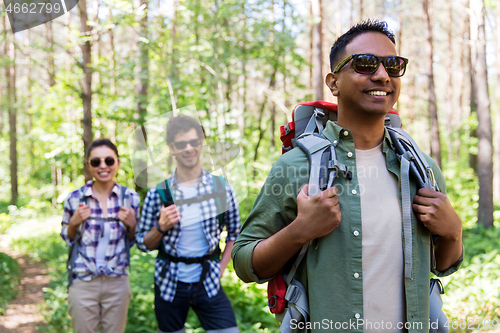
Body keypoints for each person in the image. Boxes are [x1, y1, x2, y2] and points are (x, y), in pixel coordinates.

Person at [232, 20, 463, 333]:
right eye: (365, 64)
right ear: (334, 82)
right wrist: (300, 230)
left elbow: (443, 265)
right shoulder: (295, 167)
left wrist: (453, 232)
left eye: (393, 65)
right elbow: (245, 262)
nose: (382, 75)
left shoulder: (421, 168)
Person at [135, 115, 241, 333]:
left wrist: (221, 269)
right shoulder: (159, 192)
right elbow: (142, 243)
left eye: (194, 142)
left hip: (208, 280)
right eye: (181, 144)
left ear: (202, 143)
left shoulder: (220, 188)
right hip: (168, 283)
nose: (189, 148)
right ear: (171, 148)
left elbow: (234, 233)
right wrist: (160, 227)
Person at [60, 138, 140, 333]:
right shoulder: (75, 198)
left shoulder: (130, 198)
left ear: (118, 163)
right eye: (96, 162)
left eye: (109, 160)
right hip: (83, 281)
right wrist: (74, 222)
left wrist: (132, 225)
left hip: (117, 282)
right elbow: (67, 237)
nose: (103, 166)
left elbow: (134, 240)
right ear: (88, 165)